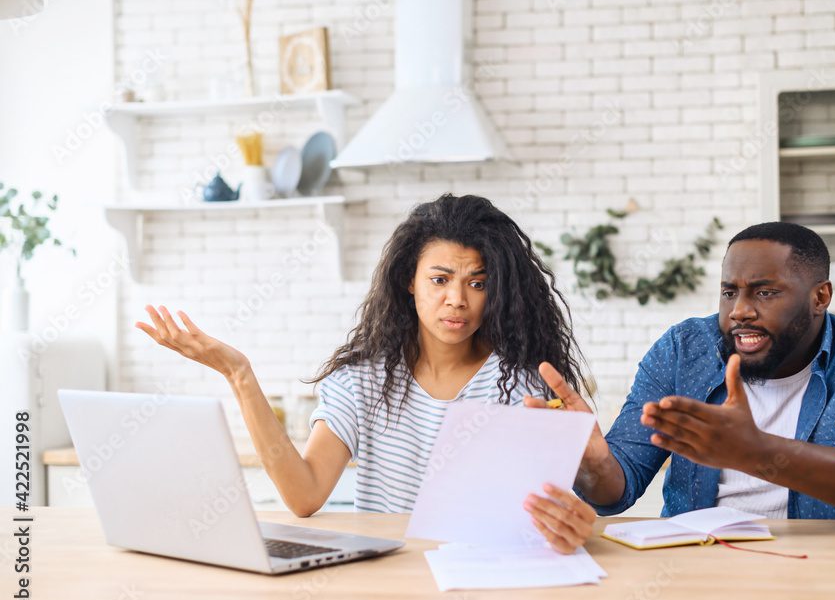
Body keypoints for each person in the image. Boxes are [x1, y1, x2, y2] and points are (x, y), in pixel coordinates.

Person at [136, 193, 597, 553]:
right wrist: (239, 375)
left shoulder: (522, 384)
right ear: (408, 282)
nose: (457, 299)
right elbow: (304, 495)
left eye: (477, 283)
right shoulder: (360, 383)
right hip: (385, 583)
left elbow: (545, 513)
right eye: (439, 280)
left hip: (484, 576)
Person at [528, 222, 835, 522]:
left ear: (821, 297)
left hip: (829, 574)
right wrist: (594, 460)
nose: (740, 311)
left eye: (765, 292)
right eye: (730, 292)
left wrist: (758, 453)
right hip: (698, 570)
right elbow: (614, 494)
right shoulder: (682, 350)